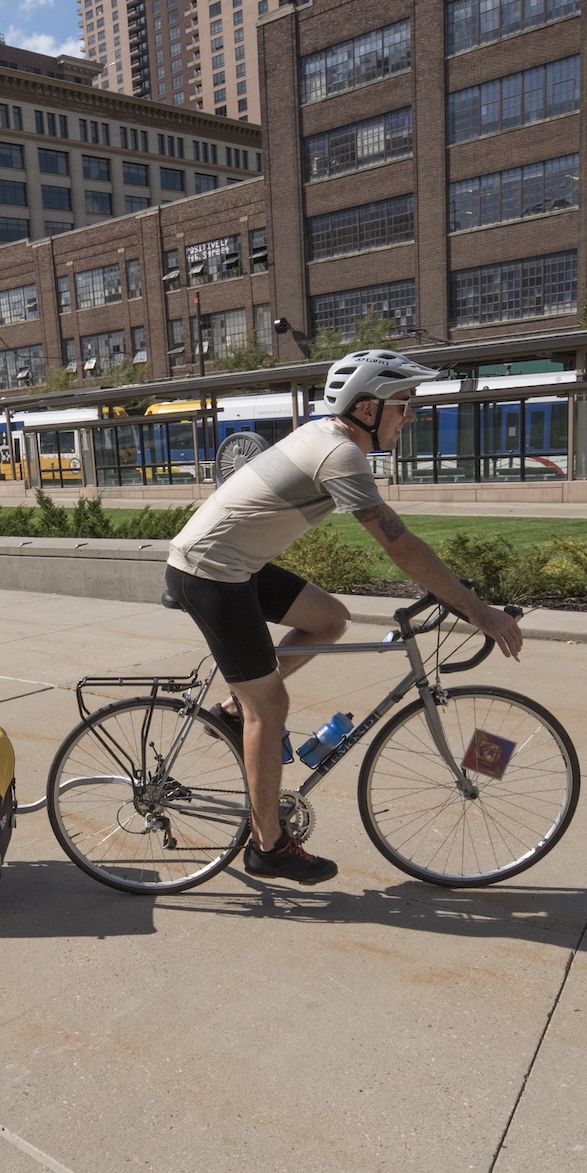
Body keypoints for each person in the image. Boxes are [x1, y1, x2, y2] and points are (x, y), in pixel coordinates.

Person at [164, 349, 524, 884]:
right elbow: (398, 545)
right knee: (271, 703)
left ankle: (233, 710)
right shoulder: (338, 454)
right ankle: (269, 846)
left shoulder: (330, 440)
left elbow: (401, 549)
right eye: (404, 404)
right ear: (369, 410)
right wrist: (476, 612)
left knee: (331, 619)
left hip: (235, 565)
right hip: (209, 572)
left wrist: (458, 597)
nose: (411, 415)